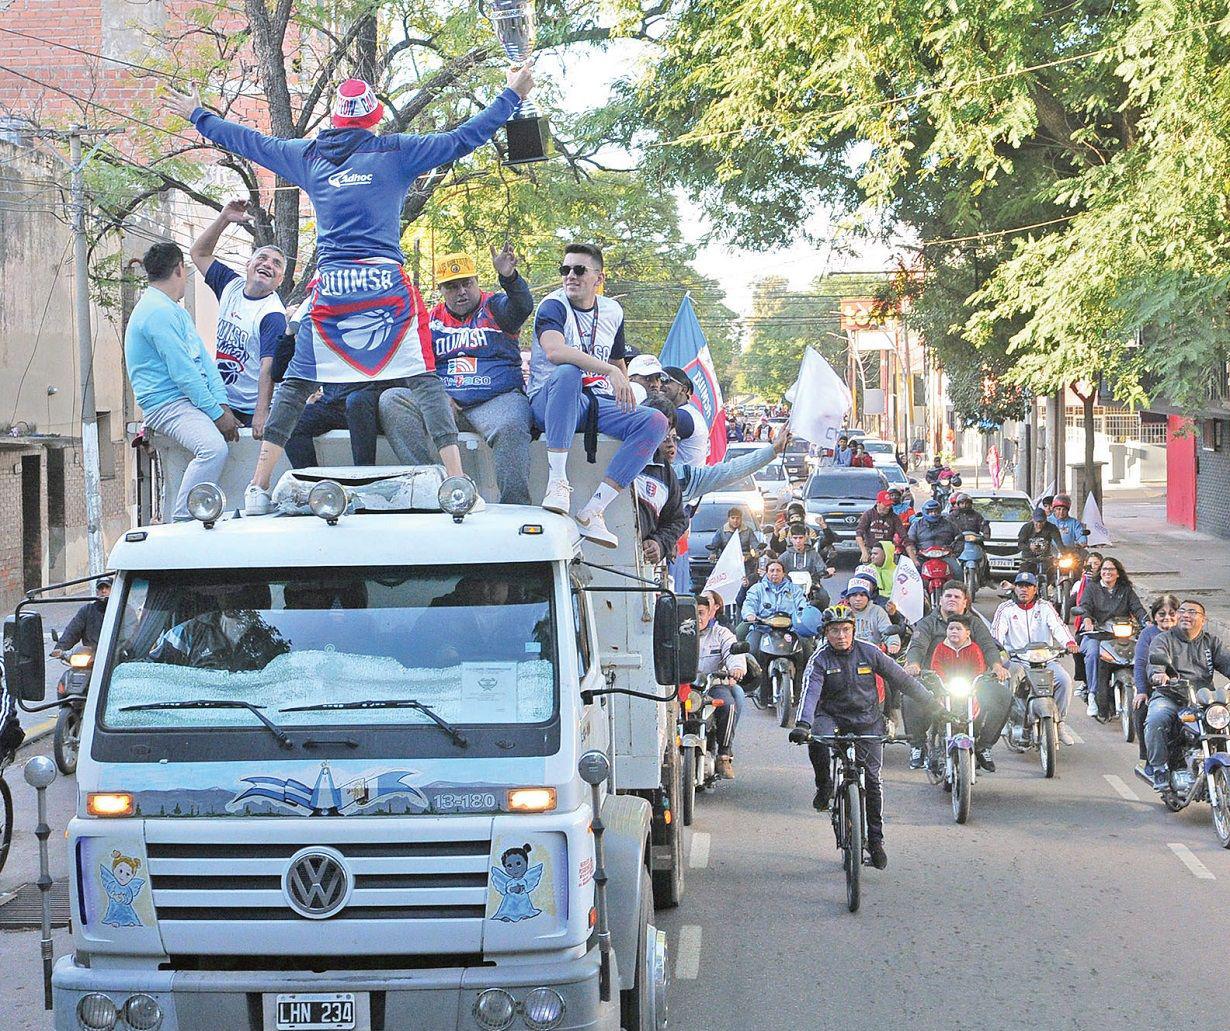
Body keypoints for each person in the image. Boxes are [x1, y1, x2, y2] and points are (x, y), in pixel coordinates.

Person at [166, 71, 532, 514]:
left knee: (298, 383)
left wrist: (198, 116)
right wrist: (512, 94)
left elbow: (250, 142)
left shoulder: (310, 155)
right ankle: (456, 483)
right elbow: (463, 137)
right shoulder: (396, 150)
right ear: (373, 117)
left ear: (336, 119)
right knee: (424, 377)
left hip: (334, 289)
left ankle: (258, 488)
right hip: (384, 286)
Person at [529, 243, 669, 547]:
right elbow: (554, 351)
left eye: (579, 270)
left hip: (594, 402)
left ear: (599, 278)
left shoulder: (612, 311)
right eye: (565, 270)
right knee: (568, 373)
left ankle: (593, 511)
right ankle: (557, 483)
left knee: (655, 421)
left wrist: (627, 386)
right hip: (551, 398)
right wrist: (609, 371)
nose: (570, 276)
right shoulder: (552, 306)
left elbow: (618, 362)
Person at [788, 605, 940, 869]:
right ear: (826, 633)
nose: (841, 636)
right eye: (834, 630)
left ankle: (876, 841)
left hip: (867, 719)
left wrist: (933, 705)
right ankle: (824, 787)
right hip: (830, 716)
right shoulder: (820, 658)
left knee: (872, 779)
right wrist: (803, 724)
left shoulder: (869, 652)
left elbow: (902, 680)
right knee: (817, 740)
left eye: (846, 630)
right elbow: (810, 692)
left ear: (853, 630)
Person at [381, 245, 535, 504]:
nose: (461, 291)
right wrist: (437, 397)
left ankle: (515, 506)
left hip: (496, 402)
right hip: (444, 407)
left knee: (511, 426)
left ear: (476, 282)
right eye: (452, 286)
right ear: (441, 291)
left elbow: (522, 307)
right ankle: (432, 489)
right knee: (392, 399)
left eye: (466, 283)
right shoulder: (430, 321)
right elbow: (412, 367)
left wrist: (509, 277)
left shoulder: (496, 306)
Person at [125, 241, 240, 521]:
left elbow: (203, 361)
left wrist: (221, 405)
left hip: (186, 400)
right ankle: (183, 520)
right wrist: (216, 414)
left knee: (221, 440)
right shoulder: (156, 311)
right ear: (180, 269)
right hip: (166, 404)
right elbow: (183, 373)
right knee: (213, 449)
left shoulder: (173, 310)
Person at [188, 199, 288, 434]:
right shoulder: (230, 286)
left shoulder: (273, 314)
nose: (268, 264)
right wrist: (224, 219)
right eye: (262, 258)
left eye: (276, 264)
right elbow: (199, 253)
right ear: (248, 264)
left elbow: (268, 366)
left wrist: (261, 414)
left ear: (280, 280)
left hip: (251, 405)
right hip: (221, 397)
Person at [902, 580, 1010, 767]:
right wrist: (914, 665)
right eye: (948, 596)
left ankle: (984, 746)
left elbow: (988, 646)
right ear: (940, 600)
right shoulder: (927, 623)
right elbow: (918, 647)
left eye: (957, 597)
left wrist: (996, 666)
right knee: (909, 697)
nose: (952, 599)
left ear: (965, 602)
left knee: (1003, 696)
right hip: (934, 679)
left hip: (973, 681)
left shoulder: (974, 623)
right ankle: (918, 745)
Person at [1146, 600, 1230, 791]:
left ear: (1203, 619)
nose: (1185, 615)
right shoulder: (1164, 639)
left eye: (1192, 612)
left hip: (1203, 699)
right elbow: (1155, 662)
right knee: (1156, 719)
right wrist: (1159, 674)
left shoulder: (1211, 642)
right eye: (1182, 611)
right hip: (1170, 695)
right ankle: (1159, 768)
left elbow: (1226, 662)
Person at [990, 571, 1080, 744]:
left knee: (1064, 680)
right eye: (1020, 586)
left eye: (1028, 586)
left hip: (1046, 660)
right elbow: (997, 635)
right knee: (1011, 678)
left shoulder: (1044, 606)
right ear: (1015, 589)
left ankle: (1059, 722)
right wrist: (999, 652)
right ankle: (1005, 719)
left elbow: (1058, 627)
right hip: (1018, 660)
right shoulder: (1006, 609)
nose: (1024, 590)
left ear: (1035, 589)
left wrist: (1069, 642)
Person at [1077, 556, 1147, 718]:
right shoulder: (1092, 588)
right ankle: (1093, 694)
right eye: (1104, 569)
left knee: (1142, 652)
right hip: (1096, 633)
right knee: (1093, 653)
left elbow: (1137, 608)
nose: (1107, 572)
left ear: (1118, 573)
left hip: (1120, 634)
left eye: (1111, 570)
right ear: (1100, 572)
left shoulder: (1126, 590)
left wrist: (1146, 621)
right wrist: (1087, 619)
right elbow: (1085, 606)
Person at [697, 590, 749, 779]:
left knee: (728, 704)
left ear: (711, 612)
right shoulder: (679, 633)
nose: (697, 617)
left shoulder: (721, 633)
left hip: (713, 685)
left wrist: (736, 668)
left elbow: (733, 652)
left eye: (701, 612)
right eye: (692, 613)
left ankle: (724, 754)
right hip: (684, 686)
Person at [1132, 594, 1180, 774]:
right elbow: (1141, 664)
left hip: (1185, 687)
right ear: (1154, 616)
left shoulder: (1185, 634)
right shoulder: (1148, 634)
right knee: (1141, 710)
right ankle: (1149, 759)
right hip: (1157, 688)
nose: (1167, 618)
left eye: (1172, 613)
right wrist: (1142, 691)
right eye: (1162, 614)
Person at [636, 432, 689, 567]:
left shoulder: (668, 476)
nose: (671, 444)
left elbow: (678, 520)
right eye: (665, 438)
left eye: (675, 439)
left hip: (637, 565)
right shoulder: (624, 456)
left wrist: (659, 543)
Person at [661, 366, 710, 466]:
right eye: (659, 380)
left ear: (683, 389)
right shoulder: (689, 412)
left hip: (683, 480)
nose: (660, 385)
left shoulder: (682, 416)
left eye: (666, 380)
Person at [51, 579, 113, 657]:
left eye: (107, 588)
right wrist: (60, 648)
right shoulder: (87, 610)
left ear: (114, 590)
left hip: (116, 657)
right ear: (97, 591)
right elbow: (73, 630)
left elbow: (128, 637)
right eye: (101, 588)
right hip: (91, 657)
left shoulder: (125, 611)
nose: (104, 591)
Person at [708, 507, 762, 588]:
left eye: (738, 518)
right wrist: (713, 554)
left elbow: (755, 545)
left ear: (741, 519)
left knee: (748, 581)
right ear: (728, 519)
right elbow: (714, 546)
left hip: (745, 562)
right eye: (733, 518)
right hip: (727, 562)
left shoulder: (748, 531)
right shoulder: (721, 531)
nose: (735, 521)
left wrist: (757, 552)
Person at [842, 579, 896, 650]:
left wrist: (893, 643)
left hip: (872, 654)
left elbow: (887, 630)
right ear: (848, 598)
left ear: (868, 598)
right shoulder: (841, 612)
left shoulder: (878, 611)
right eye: (854, 595)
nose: (858, 599)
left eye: (862, 595)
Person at [856, 490, 905, 563]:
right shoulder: (868, 514)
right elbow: (859, 534)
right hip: (871, 550)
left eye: (889, 505)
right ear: (878, 503)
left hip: (887, 551)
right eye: (885, 505)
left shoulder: (894, 517)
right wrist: (864, 551)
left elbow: (904, 536)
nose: (888, 507)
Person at [1017, 506, 1064, 576]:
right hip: (1029, 559)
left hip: (1046, 559)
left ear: (1045, 520)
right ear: (1033, 519)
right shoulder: (1026, 528)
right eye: (1037, 522)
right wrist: (1029, 547)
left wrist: (1064, 553)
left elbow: (1059, 543)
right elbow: (1020, 545)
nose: (1039, 524)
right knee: (1023, 579)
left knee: (1053, 575)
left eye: (1041, 522)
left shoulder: (1052, 528)